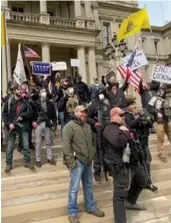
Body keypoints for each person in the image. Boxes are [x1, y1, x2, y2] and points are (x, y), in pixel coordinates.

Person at [103, 107, 147, 223]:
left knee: (143, 180)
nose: (123, 117)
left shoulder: (124, 126)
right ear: (113, 117)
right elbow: (118, 142)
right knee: (120, 195)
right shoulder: (109, 128)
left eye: (123, 115)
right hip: (120, 166)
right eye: (121, 115)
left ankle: (131, 201)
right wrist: (126, 132)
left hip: (133, 162)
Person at [62, 105, 105, 223]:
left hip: (88, 160)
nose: (84, 114)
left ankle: (90, 207)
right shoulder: (69, 126)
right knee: (74, 188)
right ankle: (72, 212)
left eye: (85, 112)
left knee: (88, 185)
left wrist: (92, 153)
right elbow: (66, 146)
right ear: (75, 112)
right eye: (81, 112)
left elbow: (92, 141)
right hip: (77, 161)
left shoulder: (87, 126)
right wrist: (71, 161)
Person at [124, 97, 158, 191]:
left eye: (134, 103)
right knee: (140, 163)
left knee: (147, 160)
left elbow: (149, 124)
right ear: (127, 107)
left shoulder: (138, 114)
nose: (134, 105)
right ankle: (140, 182)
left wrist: (149, 119)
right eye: (132, 104)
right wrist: (139, 120)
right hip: (136, 144)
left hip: (144, 141)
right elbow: (130, 125)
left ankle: (147, 181)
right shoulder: (126, 116)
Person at [2, 84, 35, 172]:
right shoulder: (8, 102)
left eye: (20, 89)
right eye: (18, 90)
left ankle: (27, 162)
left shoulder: (25, 102)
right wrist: (9, 124)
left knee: (26, 145)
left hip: (22, 126)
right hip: (12, 127)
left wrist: (23, 116)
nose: (20, 91)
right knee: (9, 146)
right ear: (14, 91)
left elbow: (31, 112)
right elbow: (4, 115)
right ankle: (8, 164)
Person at [87, 90, 111, 182]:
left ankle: (107, 169)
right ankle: (97, 172)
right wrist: (94, 123)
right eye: (100, 94)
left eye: (102, 94)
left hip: (105, 131)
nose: (101, 96)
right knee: (97, 151)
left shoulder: (106, 106)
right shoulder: (92, 106)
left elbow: (109, 117)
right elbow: (87, 117)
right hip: (95, 132)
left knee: (105, 150)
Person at [32, 87, 57, 167]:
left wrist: (54, 124)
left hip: (47, 124)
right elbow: (31, 114)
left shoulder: (50, 103)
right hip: (38, 124)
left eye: (45, 91)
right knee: (38, 143)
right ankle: (38, 160)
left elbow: (54, 115)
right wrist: (33, 122)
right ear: (39, 93)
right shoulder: (36, 103)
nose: (44, 93)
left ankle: (49, 158)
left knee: (48, 142)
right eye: (42, 91)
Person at [148, 84, 171, 163]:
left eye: (164, 90)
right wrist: (156, 112)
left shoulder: (168, 99)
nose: (162, 91)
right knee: (160, 138)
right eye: (161, 89)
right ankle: (161, 154)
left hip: (167, 119)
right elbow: (149, 108)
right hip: (159, 121)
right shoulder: (155, 98)